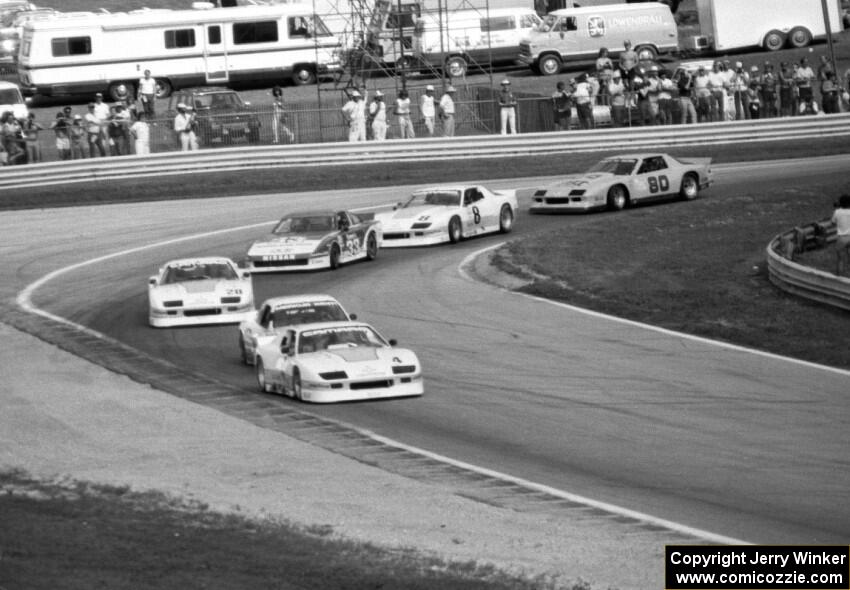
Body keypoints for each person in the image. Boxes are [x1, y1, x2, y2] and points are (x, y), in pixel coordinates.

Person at [832, 194, 850, 276]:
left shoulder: (837, 212)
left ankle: (839, 277)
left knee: (840, 259)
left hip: (842, 238)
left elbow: (832, 222)